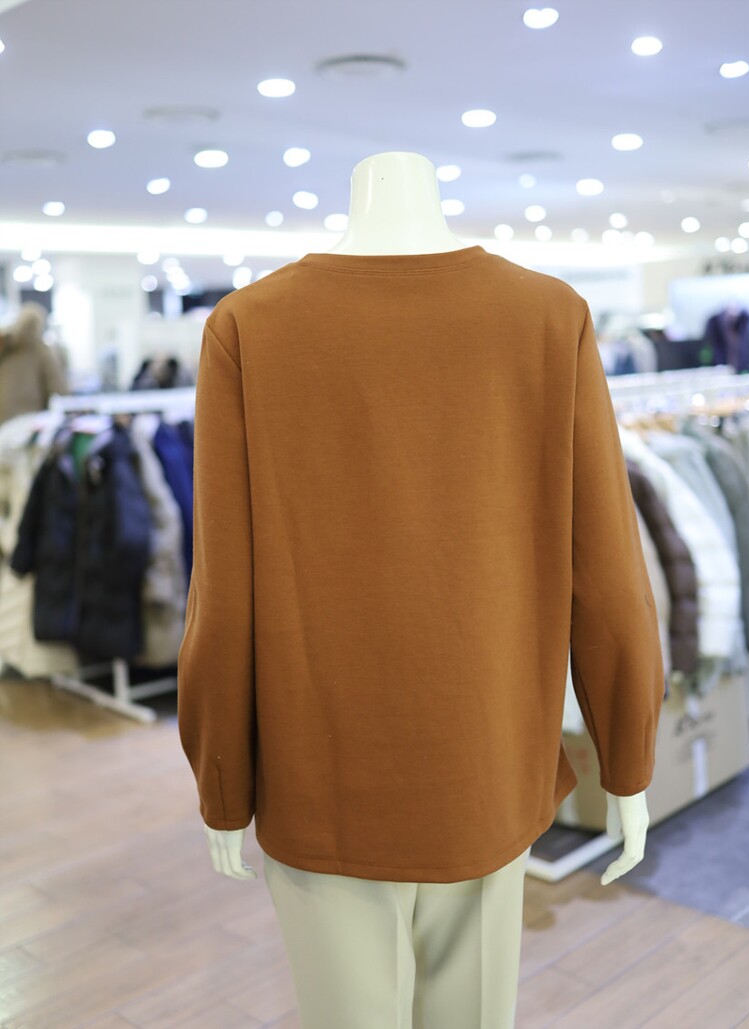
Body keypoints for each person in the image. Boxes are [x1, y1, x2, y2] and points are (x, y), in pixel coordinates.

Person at [177, 151, 665, 1029]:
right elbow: (608, 570)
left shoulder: (250, 325)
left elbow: (222, 592)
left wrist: (223, 779)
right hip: (485, 763)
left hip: (319, 770)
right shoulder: (547, 316)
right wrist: (625, 757)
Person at [0, 302, 68, 424]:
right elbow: (58, 388)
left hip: (3, 418)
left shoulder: (5, 347)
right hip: (30, 419)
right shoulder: (42, 351)